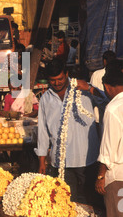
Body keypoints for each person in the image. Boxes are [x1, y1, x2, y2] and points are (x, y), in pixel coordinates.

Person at [36, 58, 107, 203]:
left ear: (66, 74)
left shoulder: (84, 90)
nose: (57, 83)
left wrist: (90, 88)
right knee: (67, 203)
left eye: (60, 78)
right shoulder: (45, 99)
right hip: (62, 163)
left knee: (91, 202)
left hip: (87, 159)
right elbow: (43, 131)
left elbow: (108, 103)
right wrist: (42, 161)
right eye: (53, 80)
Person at [95, 60, 123, 217]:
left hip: (118, 177)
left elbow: (107, 149)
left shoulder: (112, 109)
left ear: (107, 86)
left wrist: (100, 176)